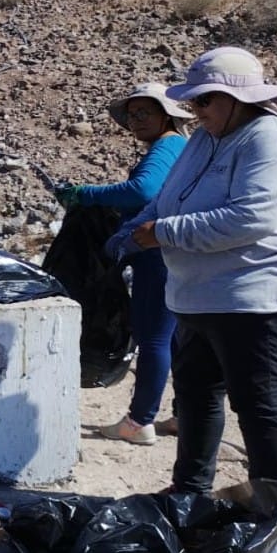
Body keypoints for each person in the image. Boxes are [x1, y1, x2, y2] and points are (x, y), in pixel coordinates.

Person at [106, 47, 277, 495]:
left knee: (258, 404)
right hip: (200, 296)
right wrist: (135, 228)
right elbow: (168, 196)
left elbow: (253, 217)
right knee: (196, 397)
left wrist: (164, 232)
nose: (195, 110)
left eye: (204, 100)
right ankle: (189, 492)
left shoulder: (270, 138)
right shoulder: (206, 137)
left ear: (238, 97)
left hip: (256, 295)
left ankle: (273, 506)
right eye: (193, 102)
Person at [55, 83, 192, 444]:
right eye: (131, 115)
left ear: (167, 116)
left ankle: (139, 421)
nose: (136, 121)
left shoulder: (167, 146)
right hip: (177, 252)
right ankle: (186, 415)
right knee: (177, 337)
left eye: (144, 112)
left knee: (153, 337)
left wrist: (85, 193)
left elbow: (143, 192)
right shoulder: (182, 148)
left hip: (157, 253)